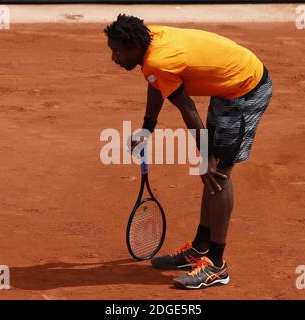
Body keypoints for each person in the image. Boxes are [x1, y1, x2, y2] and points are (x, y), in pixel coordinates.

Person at [104, 14, 273, 289]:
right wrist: (148, 127)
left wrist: (206, 156)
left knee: (218, 174)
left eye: (117, 51)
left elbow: (189, 109)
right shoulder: (150, 42)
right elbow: (156, 81)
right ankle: (200, 248)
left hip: (245, 88)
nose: (114, 57)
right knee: (211, 171)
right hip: (228, 87)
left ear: (134, 46)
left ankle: (217, 266)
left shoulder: (158, 59)